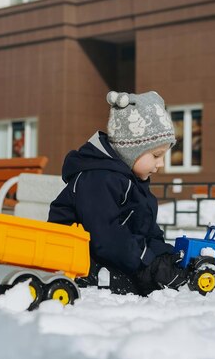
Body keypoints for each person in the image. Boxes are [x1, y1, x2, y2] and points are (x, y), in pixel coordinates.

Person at [48, 91, 186, 296]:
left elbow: (145, 227)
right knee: (137, 286)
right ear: (131, 149)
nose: (161, 164)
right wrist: (147, 261)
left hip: (116, 256)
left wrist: (163, 255)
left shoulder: (131, 180)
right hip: (81, 261)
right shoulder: (99, 179)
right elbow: (107, 236)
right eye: (156, 155)